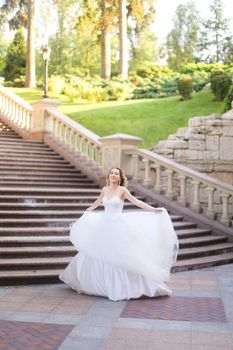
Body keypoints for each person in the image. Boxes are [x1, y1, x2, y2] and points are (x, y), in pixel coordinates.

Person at [59, 167, 179, 301]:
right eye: (112, 173)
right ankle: (97, 283)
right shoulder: (104, 190)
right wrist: (86, 212)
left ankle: (126, 286)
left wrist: (154, 209)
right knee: (98, 252)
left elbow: (137, 202)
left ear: (120, 177)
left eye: (116, 174)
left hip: (118, 226)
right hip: (104, 225)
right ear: (109, 176)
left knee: (122, 255)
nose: (113, 175)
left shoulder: (123, 190)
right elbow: (97, 203)